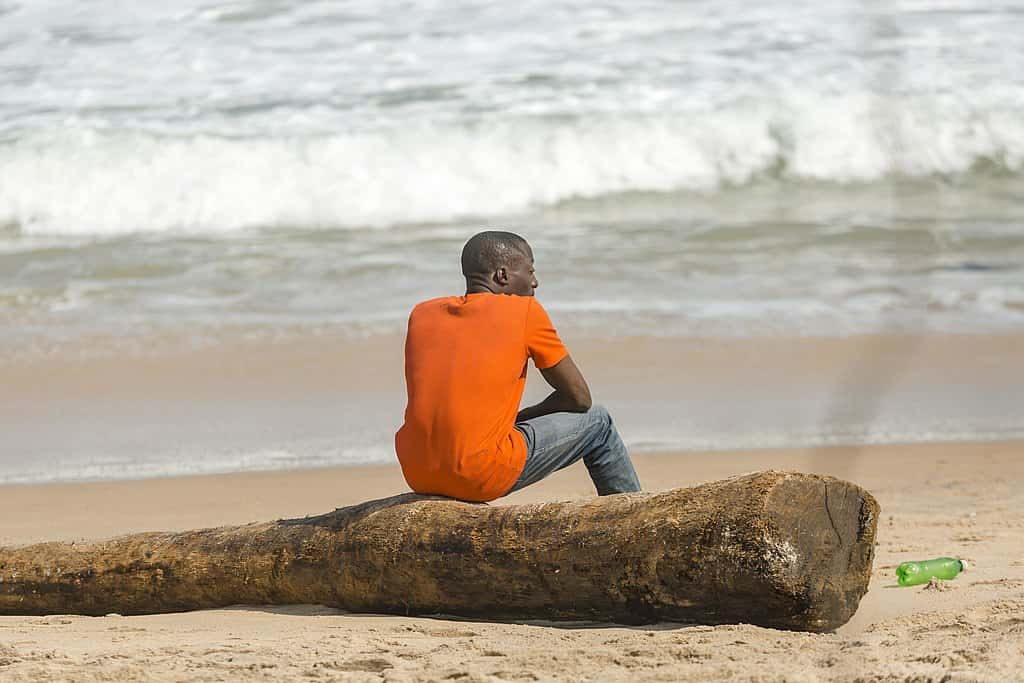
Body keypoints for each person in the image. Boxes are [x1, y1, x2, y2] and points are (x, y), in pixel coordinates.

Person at [394, 230, 641, 502]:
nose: (535, 282)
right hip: (477, 474)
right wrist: (524, 416)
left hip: (417, 471)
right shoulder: (525, 312)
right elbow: (579, 398)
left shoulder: (422, 313)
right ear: (503, 276)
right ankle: (634, 515)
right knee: (599, 422)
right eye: (530, 271)